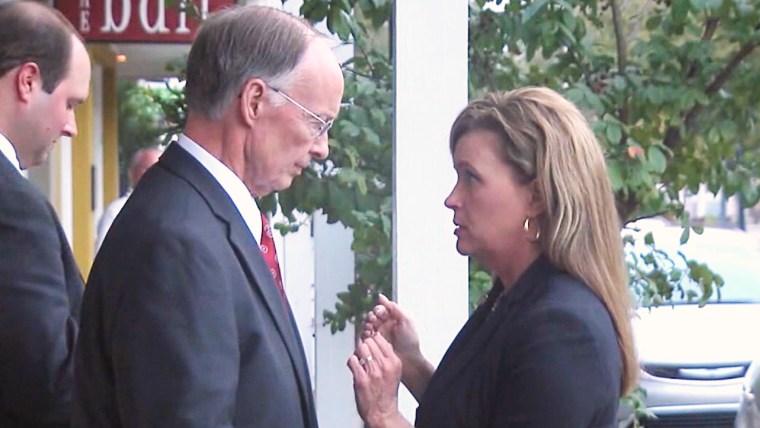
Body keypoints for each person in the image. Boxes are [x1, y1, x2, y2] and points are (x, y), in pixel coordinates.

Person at [73, 5, 343, 427]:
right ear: (254, 101)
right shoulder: (178, 240)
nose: (322, 147)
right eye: (317, 122)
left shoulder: (197, 217)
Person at [348, 87, 638, 427]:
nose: (452, 199)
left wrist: (384, 416)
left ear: (537, 197)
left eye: (471, 178)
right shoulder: (514, 298)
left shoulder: (563, 331)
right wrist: (411, 364)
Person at [0, 1, 91, 425]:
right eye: (71, 103)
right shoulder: (14, 208)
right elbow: (49, 384)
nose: (71, 126)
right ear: (28, 81)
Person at [94, 147, 162, 251]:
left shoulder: (170, 210)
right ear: (132, 173)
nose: (155, 177)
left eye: (160, 171)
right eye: (148, 170)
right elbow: (103, 256)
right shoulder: (117, 211)